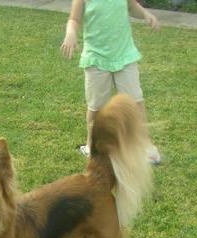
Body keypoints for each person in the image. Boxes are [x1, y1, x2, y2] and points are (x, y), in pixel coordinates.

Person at [61, 0, 161, 164]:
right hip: (95, 58)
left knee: (135, 102)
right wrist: (70, 32)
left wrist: (145, 14)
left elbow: (131, 6)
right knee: (96, 107)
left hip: (125, 55)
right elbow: (74, 19)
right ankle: (91, 145)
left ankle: (145, 146)